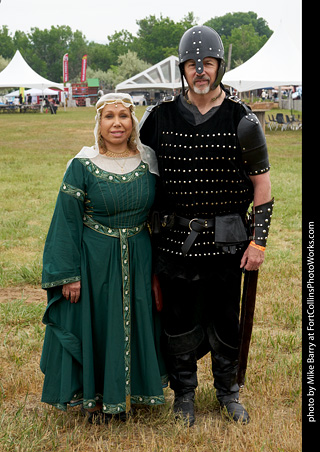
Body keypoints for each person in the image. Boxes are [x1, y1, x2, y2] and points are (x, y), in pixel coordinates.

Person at [139, 25, 273, 426]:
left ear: (219, 67)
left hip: (229, 240)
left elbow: (262, 185)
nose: (201, 71)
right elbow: (139, 175)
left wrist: (259, 243)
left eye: (208, 64)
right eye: (193, 65)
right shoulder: (157, 118)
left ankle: (228, 392)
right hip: (174, 238)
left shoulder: (242, 119)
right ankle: (184, 395)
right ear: (183, 69)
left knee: (225, 318)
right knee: (178, 319)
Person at [40, 92, 167, 424]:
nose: (117, 123)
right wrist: (68, 273)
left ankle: (129, 392)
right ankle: (95, 400)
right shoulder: (83, 164)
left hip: (139, 256)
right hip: (95, 260)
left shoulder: (148, 160)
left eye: (123, 116)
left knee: (134, 322)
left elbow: (157, 217)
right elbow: (66, 221)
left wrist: (156, 270)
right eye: (109, 116)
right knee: (98, 325)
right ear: (99, 123)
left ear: (133, 122)